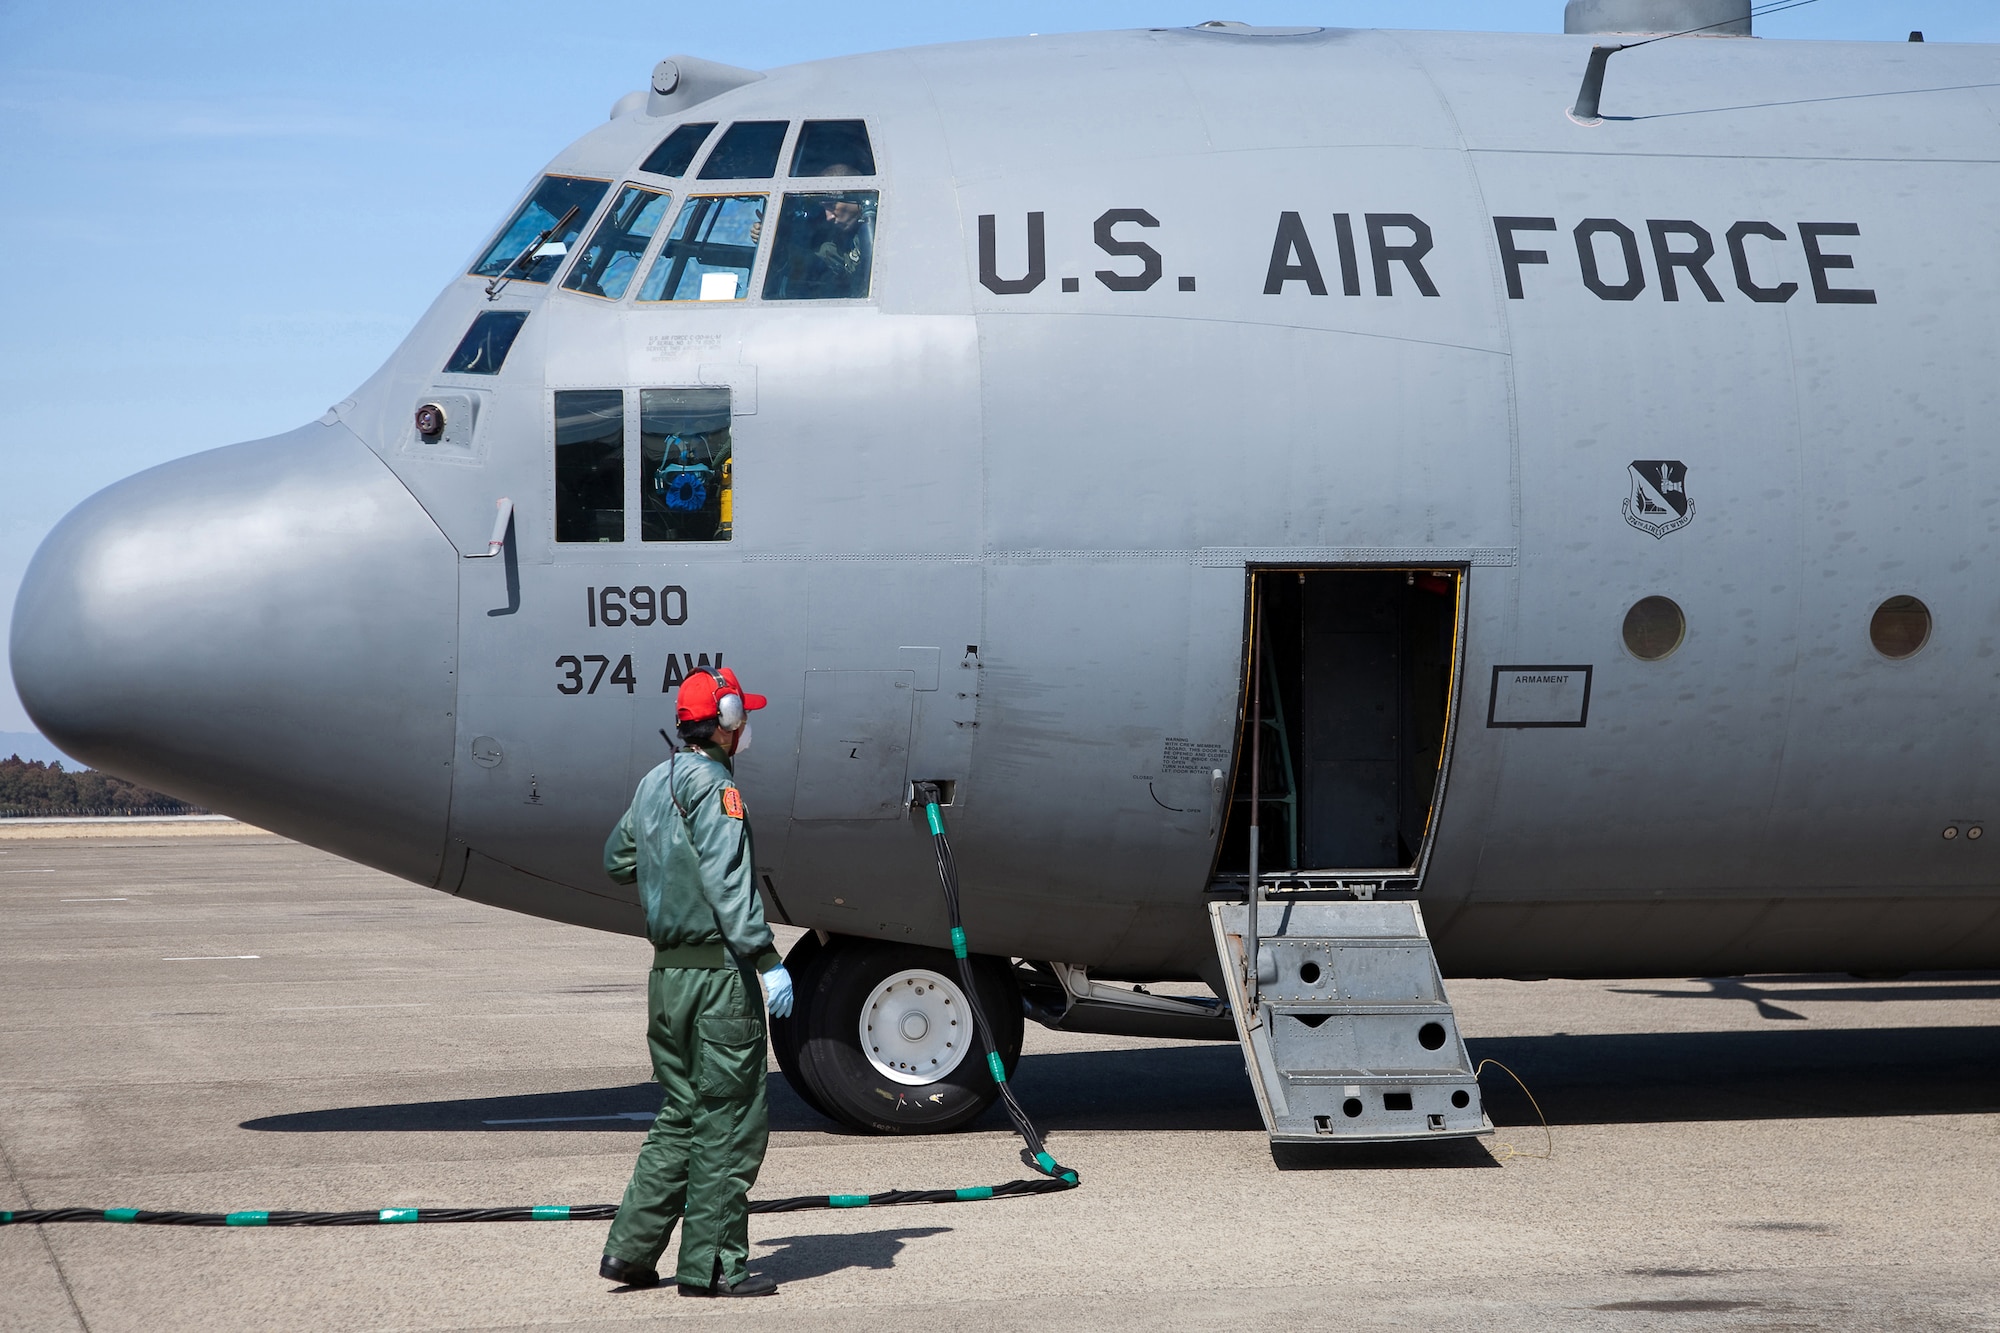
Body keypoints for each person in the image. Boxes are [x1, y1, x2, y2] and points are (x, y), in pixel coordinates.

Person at [597, 666, 793, 1298]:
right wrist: (765, 960)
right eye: (744, 717)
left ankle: (630, 1252)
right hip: (718, 980)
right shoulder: (717, 790)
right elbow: (728, 880)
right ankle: (711, 1268)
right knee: (729, 1121)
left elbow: (617, 859)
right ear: (728, 721)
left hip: (668, 977)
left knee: (682, 1111)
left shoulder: (654, 782)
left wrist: (666, 871)